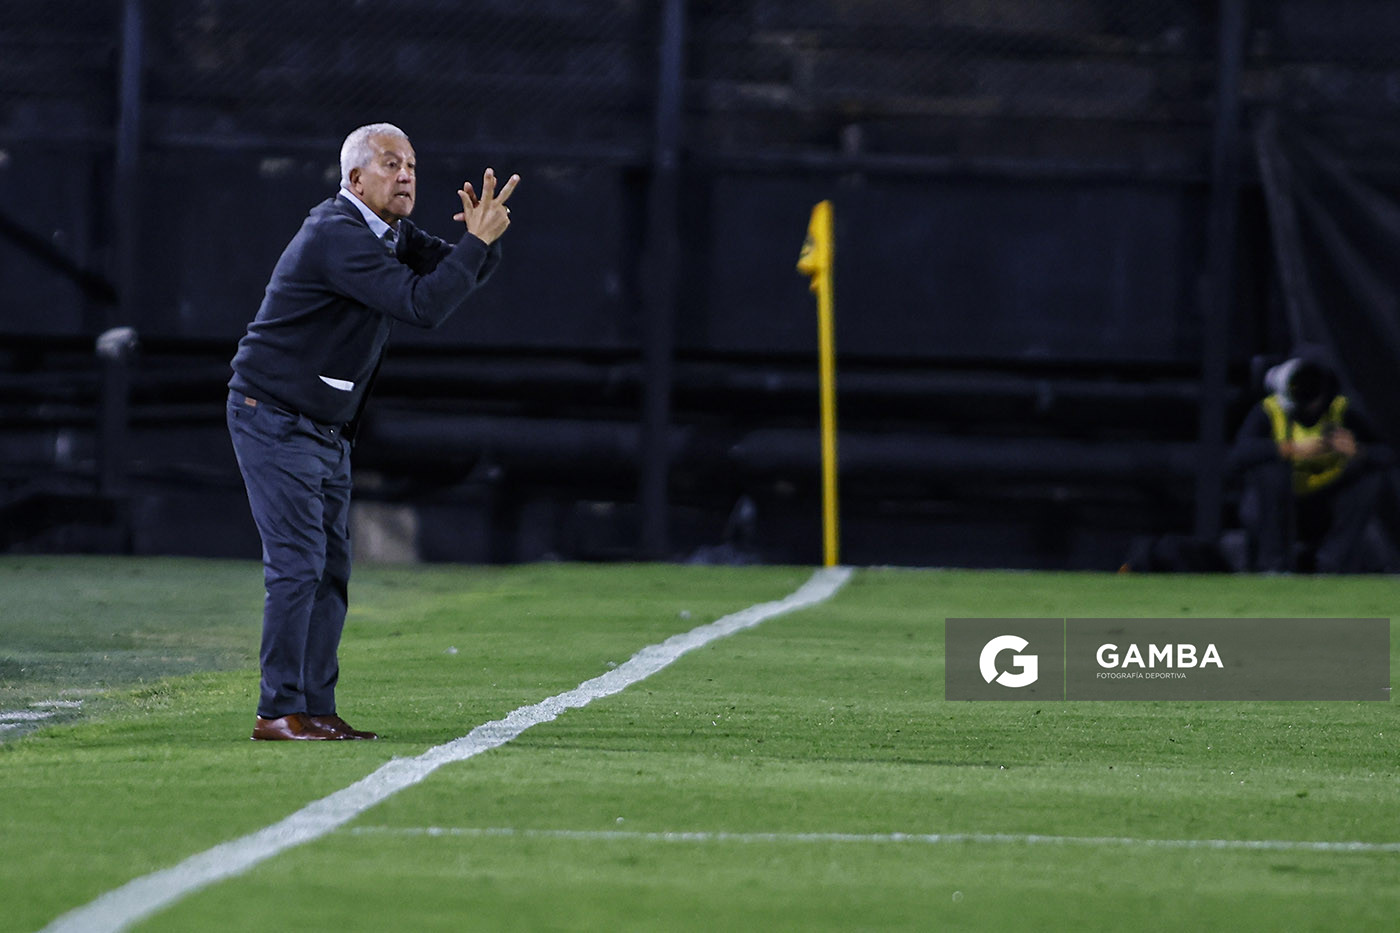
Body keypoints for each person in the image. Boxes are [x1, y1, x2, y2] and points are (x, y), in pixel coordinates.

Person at [227, 123, 518, 740]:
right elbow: (425, 306)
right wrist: (476, 246)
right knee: (299, 564)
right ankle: (277, 710)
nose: (407, 174)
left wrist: (482, 240)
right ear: (354, 179)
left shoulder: (390, 233)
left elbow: (460, 275)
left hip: (323, 426)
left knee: (330, 569)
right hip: (274, 414)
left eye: (412, 163)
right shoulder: (338, 234)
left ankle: (314, 708)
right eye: (391, 164)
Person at [1227, 354, 1385, 573]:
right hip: (1275, 507)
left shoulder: (1341, 411)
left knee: (1369, 480)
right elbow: (1238, 455)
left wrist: (1359, 451)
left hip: (1323, 506)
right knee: (1269, 471)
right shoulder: (1270, 411)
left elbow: (1387, 454)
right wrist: (1291, 449)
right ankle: (1274, 566)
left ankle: (1332, 563)